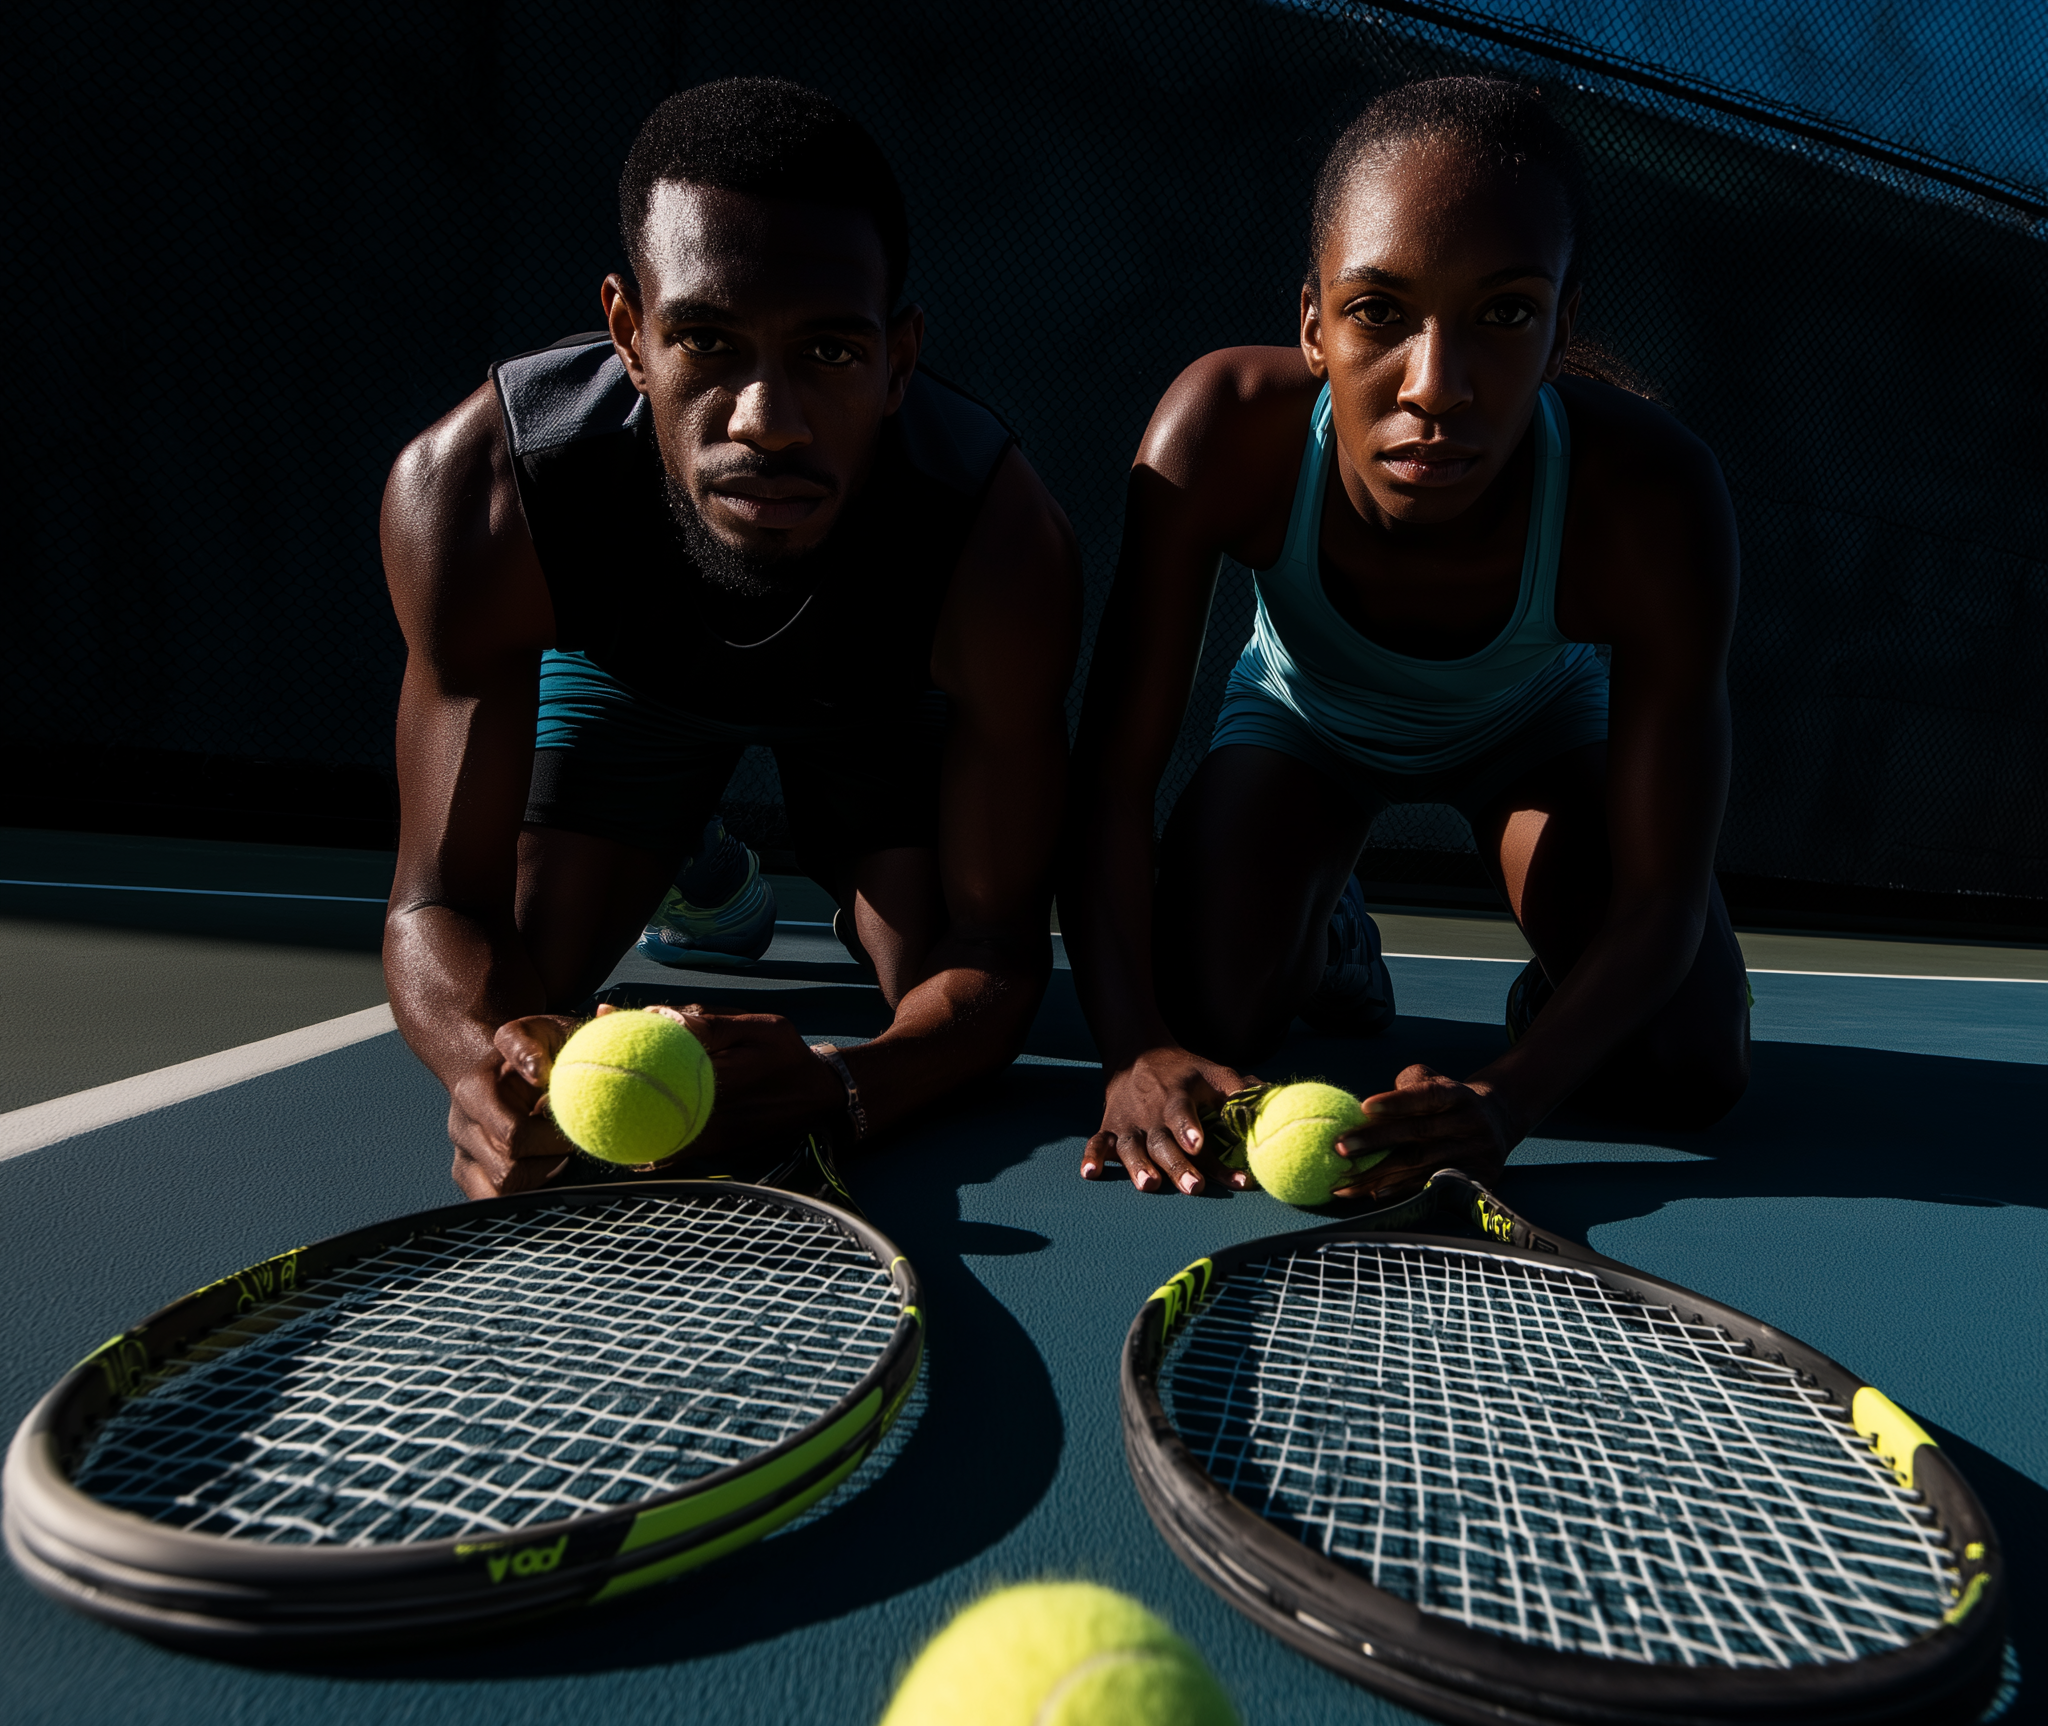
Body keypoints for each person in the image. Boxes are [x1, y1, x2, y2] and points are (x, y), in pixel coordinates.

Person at [381, 78, 1079, 1197]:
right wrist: (495, 1077)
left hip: (870, 701)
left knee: (924, 969)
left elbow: (996, 957)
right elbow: (435, 905)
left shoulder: (995, 541)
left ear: (900, 359)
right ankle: (703, 873)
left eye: (831, 354)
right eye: (706, 340)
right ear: (629, 335)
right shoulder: (480, 494)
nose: (768, 418)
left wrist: (847, 1087)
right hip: (632, 690)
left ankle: (704, 850)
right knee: (531, 965)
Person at [1065, 74, 1749, 1200]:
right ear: (1311, 323)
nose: (1436, 386)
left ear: (1559, 327)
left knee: (1685, 1062)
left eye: (1504, 313)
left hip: (1530, 735)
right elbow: (1107, 783)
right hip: (1304, 727)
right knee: (1206, 1013)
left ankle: (1553, 983)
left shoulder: (1654, 498)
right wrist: (1130, 1048)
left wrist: (1513, 1091)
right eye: (1378, 311)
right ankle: (1331, 934)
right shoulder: (1220, 429)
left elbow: (1665, 898)